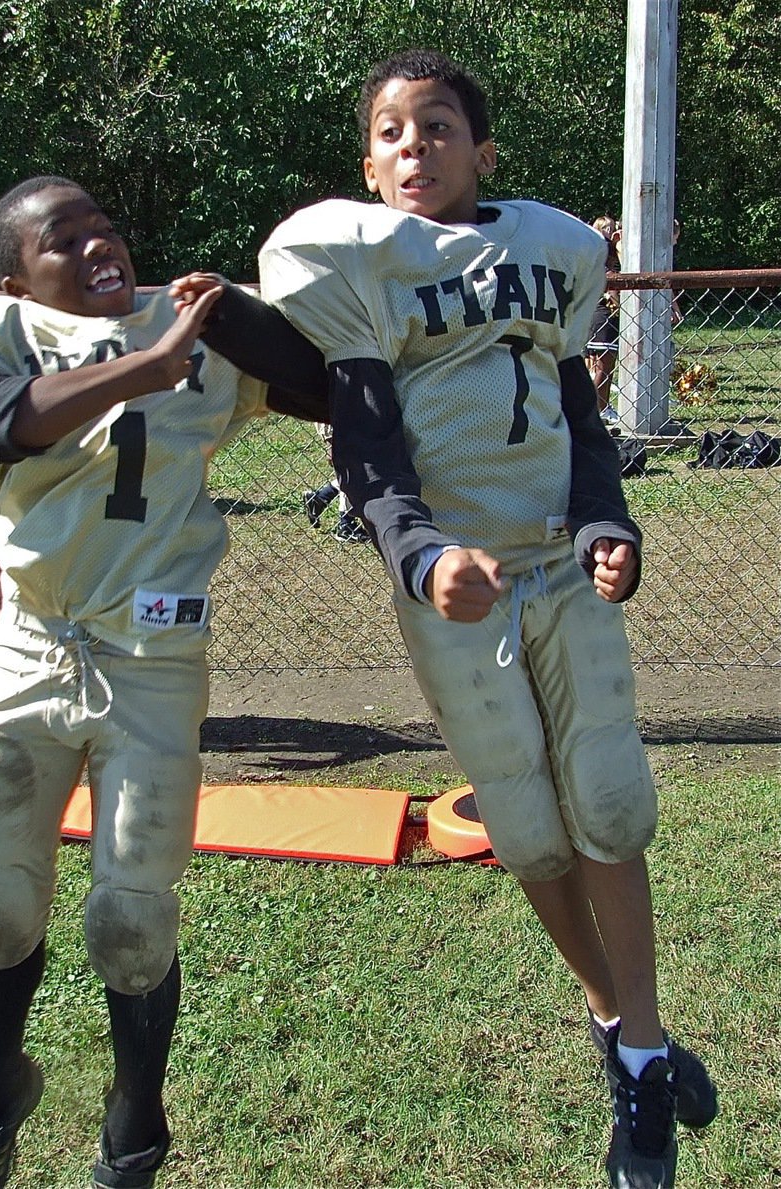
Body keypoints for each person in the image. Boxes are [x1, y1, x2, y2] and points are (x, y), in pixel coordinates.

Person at [257, 49, 717, 1189]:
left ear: (484, 150)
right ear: (367, 163)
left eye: (439, 127)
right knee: (527, 829)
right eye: (393, 133)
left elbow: (578, 415)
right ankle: (623, 1028)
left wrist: (612, 525)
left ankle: (645, 1050)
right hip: (457, 583)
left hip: (558, 560)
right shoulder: (355, 266)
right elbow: (365, 451)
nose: (417, 148)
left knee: (608, 802)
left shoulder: (553, 252)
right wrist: (418, 556)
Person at [0, 175, 327, 1189]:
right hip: (32, 649)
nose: (95, 248)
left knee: (132, 918)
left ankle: (135, 1129)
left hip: (151, 660)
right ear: (13, 278)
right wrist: (145, 367)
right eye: (62, 240)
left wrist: (243, 321)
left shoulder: (192, 329)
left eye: (104, 229)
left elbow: (334, 386)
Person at [301, 422, 370, 543]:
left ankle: (321, 498)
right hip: (334, 420)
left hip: (353, 417)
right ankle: (346, 525)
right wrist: (330, 440)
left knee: (359, 467)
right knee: (350, 467)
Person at [585, 215, 622, 420]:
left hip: (596, 315)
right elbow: (613, 290)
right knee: (603, 366)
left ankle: (601, 407)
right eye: (606, 228)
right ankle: (596, 410)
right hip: (603, 315)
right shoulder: (601, 258)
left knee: (603, 366)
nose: (612, 231)